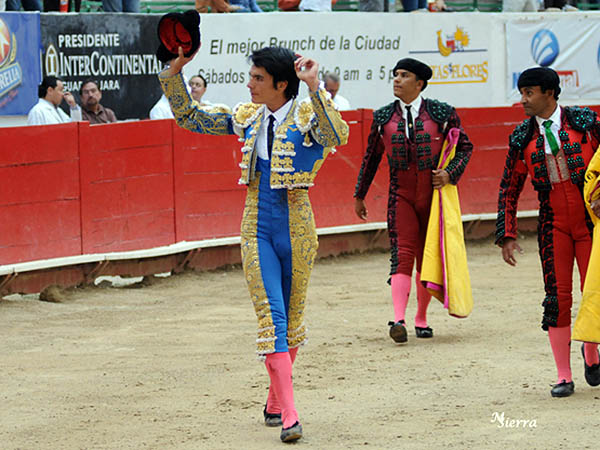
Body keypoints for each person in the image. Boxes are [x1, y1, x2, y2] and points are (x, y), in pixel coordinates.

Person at [159, 46, 348, 443]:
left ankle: (275, 400)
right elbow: (191, 116)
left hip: (297, 228)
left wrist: (314, 85)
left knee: (292, 320)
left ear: (282, 84)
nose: (249, 84)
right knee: (272, 319)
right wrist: (174, 74)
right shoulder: (247, 117)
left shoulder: (310, 115)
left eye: (258, 78)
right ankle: (291, 413)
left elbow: (336, 135)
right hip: (256, 225)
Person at [496, 67, 600, 398]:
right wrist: (507, 232)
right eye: (521, 92)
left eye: (529, 93)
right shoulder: (521, 138)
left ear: (550, 93)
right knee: (557, 298)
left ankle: (591, 353)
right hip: (553, 224)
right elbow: (509, 188)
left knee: (595, 290)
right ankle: (563, 375)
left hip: (590, 224)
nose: (522, 99)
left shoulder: (586, 123)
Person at [353, 57, 473, 344]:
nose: (397, 79)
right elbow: (371, 159)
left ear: (419, 83)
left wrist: (449, 173)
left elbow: (465, 147)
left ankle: (420, 317)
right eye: (395, 74)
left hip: (434, 196)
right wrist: (360, 194)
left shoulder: (442, 114)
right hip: (401, 195)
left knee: (426, 256)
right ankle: (399, 319)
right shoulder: (382, 117)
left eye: (404, 75)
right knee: (402, 254)